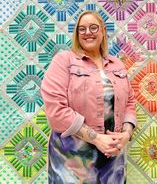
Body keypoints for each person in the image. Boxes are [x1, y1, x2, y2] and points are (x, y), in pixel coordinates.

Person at [41, 10, 137, 184]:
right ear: (77, 34)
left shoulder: (117, 64)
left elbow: (129, 101)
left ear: (103, 31)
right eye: (82, 29)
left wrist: (126, 134)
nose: (88, 32)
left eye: (93, 27)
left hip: (112, 157)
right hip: (72, 160)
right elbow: (56, 110)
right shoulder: (64, 61)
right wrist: (97, 138)